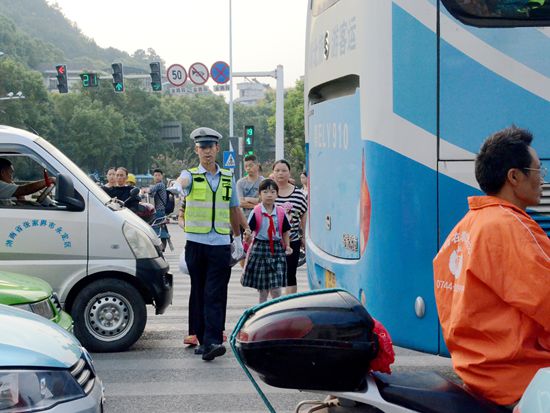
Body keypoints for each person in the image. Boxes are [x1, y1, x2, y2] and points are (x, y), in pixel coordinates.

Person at [433, 126, 550, 407]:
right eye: (538, 171)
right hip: (521, 380)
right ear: (514, 177)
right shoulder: (513, 228)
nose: (543, 179)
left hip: (480, 375)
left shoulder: (466, 226)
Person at [172, 127, 248, 361]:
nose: (207, 151)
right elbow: (181, 181)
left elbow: (234, 209)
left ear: (217, 149)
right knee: (199, 291)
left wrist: (237, 238)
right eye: (202, 147)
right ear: (197, 150)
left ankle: (213, 340)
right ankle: (201, 338)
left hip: (219, 244)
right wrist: (176, 185)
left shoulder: (227, 177)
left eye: (210, 147)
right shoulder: (191, 175)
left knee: (215, 292)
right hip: (196, 244)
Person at [241, 179, 293, 303]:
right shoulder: (257, 211)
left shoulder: (280, 212)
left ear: (277, 194)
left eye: (272, 192)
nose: (269, 195)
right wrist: (246, 236)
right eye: (265, 192)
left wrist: (288, 246)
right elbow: (249, 229)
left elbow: (286, 230)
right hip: (260, 248)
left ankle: (277, 311)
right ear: (260, 195)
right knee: (263, 288)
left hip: (277, 249)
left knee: (276, 287)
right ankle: (261, 310)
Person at [272, 160, 307, 295]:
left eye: (284, 170)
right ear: (273, 173)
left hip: (292, 241)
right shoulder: (268, 191)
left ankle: (288, 303)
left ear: (289, 173)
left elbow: (303, 215)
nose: (280, 173)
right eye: (277, 170)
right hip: (271, 242)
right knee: (273, 275)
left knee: (290, 274)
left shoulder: (298, 194)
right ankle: (275, 304)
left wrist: (304, 236)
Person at [144, 169, 171, 252]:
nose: (157, 177)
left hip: (159, 211)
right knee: (160, 228)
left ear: (162, 176)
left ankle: (160, 248)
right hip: (160, 210)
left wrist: (145, 190)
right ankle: (161, 248)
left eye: (159, 175)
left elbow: (150, 191)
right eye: (155, 175)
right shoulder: (159, 186)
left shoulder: (160, 185)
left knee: (157, 229)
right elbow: (151, 194)